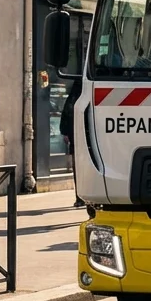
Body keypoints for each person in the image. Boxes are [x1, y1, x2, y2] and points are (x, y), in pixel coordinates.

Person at [60, 77, 85, 209]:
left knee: (78, 168)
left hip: (76, 136)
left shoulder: (74, 98)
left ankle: (80, 197)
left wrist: (65, 132)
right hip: (83, 137)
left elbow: (67, 112)